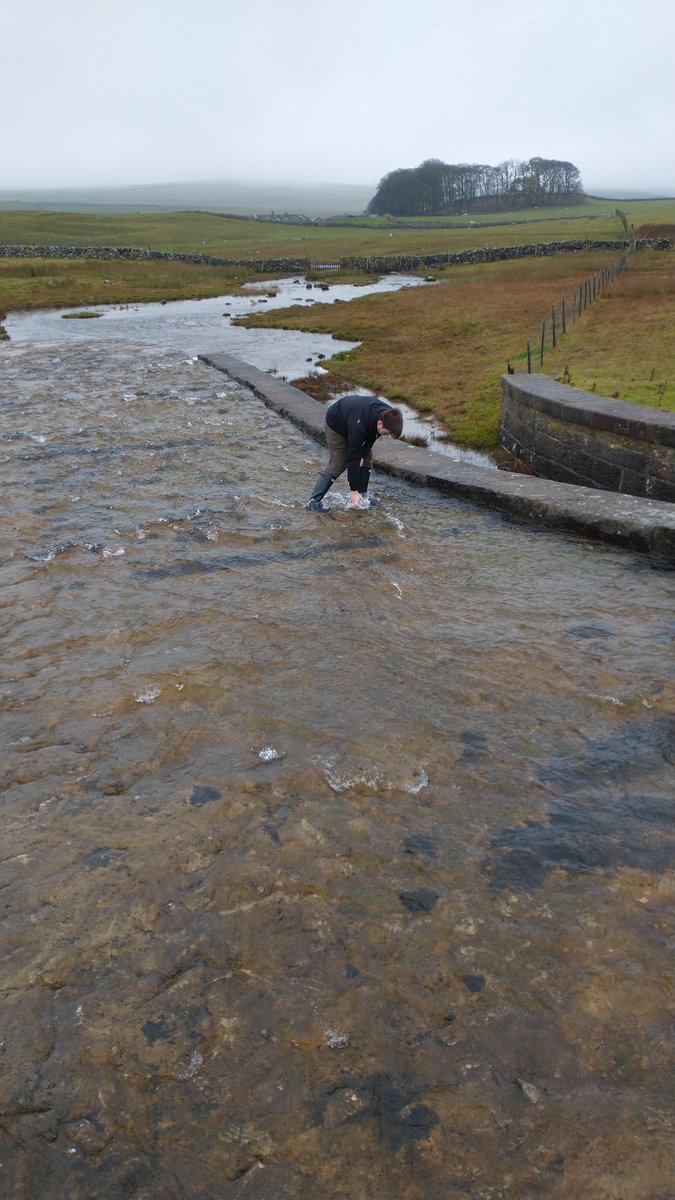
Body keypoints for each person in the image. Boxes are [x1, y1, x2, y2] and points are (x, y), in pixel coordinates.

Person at [305, 394, 404, 511]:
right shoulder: (361, 426)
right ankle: (313, 502)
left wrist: (364, 454)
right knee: (339, 463)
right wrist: (353, 490)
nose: (387, 436)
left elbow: (373, 435)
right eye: (387, 433)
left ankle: (363, 497)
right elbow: (353, 457)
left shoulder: (387, 415)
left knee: (366, 458)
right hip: (336, 424)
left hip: (352, 419)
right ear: (380, 424)